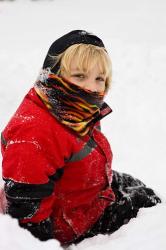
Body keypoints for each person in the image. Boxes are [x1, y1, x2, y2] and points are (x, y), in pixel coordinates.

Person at [0, 30, 161, 246]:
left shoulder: (72, 108)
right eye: (79, 76)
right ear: (54, 74)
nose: (91, 87)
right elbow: (27, 215)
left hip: (84, 192)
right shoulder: (35, 132)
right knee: (150, 210)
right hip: (70, 222)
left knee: (143, 192)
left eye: (99, 79)